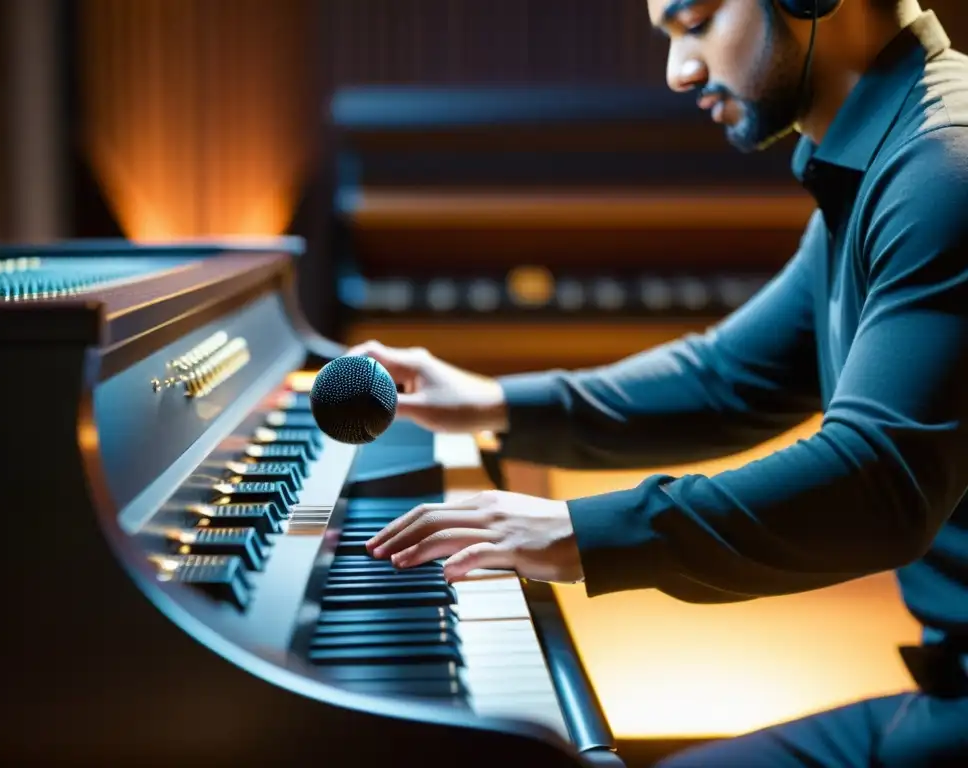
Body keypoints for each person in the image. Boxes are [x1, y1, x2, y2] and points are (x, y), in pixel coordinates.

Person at [348, 0, 968, 764]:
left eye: (697, 22)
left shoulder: (945, 168)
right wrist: (492, 403)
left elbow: (878, 481)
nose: (679, 72)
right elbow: (728, 379)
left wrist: (577, 534)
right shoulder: (890, 157)